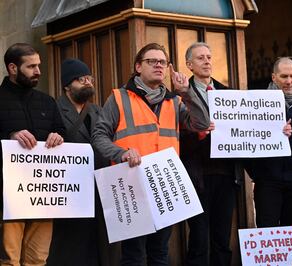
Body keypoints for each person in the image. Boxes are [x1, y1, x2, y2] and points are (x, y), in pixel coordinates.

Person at [92, 42, 210, 266]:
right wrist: (121, 153)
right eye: (152, 61)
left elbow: (202, 122)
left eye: (163, 62)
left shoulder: (175, 101)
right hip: (130, 187)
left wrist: (187, 93)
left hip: (163, 187)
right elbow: (98, 136)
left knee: (159, 253)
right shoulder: (118, 98)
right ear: (138, 67)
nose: (159, 65)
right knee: (133, 255)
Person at [47, 58, 121, 266]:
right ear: (67, 85)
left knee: (101, 244)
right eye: (81, 79)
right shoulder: (54, 109)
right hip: (70, 190)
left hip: (101, 186)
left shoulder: (100, 111)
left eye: (90, 78)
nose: (88, 83)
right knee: (72, 244)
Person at [0, 43, 65, 266]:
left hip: (43, 193)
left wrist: (58, 137)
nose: (38, 71)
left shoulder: (47, 101)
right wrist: (11, 135)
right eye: (31, 66)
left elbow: (62, 132)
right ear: (12, 68)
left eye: (39, 65)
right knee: (9, 259)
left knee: (38, 258)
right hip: (8, 196)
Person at [180, 42, 243, 266]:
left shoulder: (229, 94)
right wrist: (198, 135)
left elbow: (247, 131)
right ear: (189, 64)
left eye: (208, 56)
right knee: (199, 239)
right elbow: (175, 137)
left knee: (222, 238)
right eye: (200, 58)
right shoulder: (181, 96)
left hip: (226, 174)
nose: (207, 61)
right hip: (198, 176)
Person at [246, 57, 292, 228]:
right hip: (268, 182)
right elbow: (246, 137)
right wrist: (258, 173)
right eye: (284, 76)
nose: (289, 81)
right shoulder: (257, 105)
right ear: (273, 77)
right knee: (268, 232)